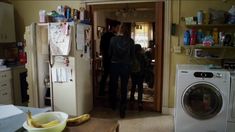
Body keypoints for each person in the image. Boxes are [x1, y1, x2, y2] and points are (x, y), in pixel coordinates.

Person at [109, 23, 135, 118]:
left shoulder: (113, 39)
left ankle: (113, 105)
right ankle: (122, 109)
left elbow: (110, 53)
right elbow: (132, 55)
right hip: (125, 65)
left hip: (114, 64)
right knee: (124, 87)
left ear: (119, 30)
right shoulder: (131, 41)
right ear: (127, 31)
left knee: (114, 85)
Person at [99, 21, 121, 96]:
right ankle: (112, 93)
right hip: (112, 60)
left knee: (105, 75)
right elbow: (116, 50)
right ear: (113, 27)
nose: (118, 29)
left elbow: (101, 48)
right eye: (117, 28)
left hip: (105, 58)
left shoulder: (104, 35)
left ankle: (101, 91)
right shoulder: (114, 37)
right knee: (113, 77)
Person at [130, 44, 146, 111]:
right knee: (140, 88)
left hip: (133, 73)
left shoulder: (132, 56)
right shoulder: (142, 56)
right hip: (140, 74)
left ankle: (131, 100)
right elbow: (145, 63)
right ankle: (139, 102)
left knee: (133, 86)